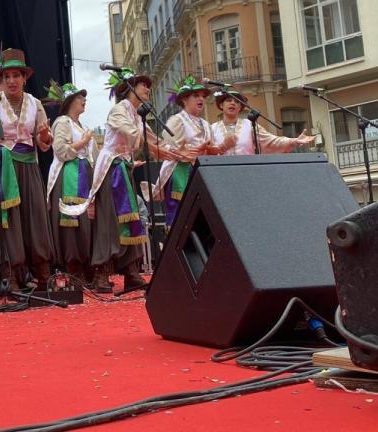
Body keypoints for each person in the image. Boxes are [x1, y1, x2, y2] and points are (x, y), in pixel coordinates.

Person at [63, 68, 176, 292]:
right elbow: (137, 136)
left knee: (129, 219)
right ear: (131, 88)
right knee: (109, 222)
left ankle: (131, 271)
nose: (148, 90)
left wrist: (176, 151)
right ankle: (101, 273)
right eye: (144, 85)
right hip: (111, 169)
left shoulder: (136, 113)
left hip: (124, 168)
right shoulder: (118, 111)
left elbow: (151, 139)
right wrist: (159, 150)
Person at [0, 48, 54, 291]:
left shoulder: (35, 103)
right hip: (5, 167)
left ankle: (42, 274)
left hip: (29, 165)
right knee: (9, 222)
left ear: (24, 78)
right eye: (6, 76)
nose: (11, 81)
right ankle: (12, 276)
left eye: (16, 76)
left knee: (35, 220)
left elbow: (43, 145)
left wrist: (45, 135)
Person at [155, 75, 231, 228]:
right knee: (179, 213)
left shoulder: (205, 124)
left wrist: (223, 146)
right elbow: (170, 148)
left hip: (200, 171)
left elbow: (211, 150)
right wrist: (194, 150)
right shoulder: (176, 120)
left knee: (201, 213)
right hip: (180, 171)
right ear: (184, 100)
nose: (201, 99)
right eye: (196, 96)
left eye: (202, 96)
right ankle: (173, 245)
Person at [43, 81, 97, 285]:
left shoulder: (82, 126)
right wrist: (83, 142)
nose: (84, 100)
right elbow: (61, 151)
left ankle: (87, 266)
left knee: (87, 222)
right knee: (72, 223)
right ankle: (74, 267)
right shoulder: (62, 122)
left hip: (85, 174)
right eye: (80, 97)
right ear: (70, 102)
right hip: (69, 176)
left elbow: (93, 155)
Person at [210, 90, 315, 155]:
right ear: (221, 105)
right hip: (220, 175)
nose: (233, 103)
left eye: (237, 101)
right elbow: (205, 153)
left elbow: (272, 141)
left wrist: (295, 141)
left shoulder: (250, 125)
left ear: (240, 107)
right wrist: (223, 146)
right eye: (229, 100)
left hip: (248, 172)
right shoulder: (211, 129)